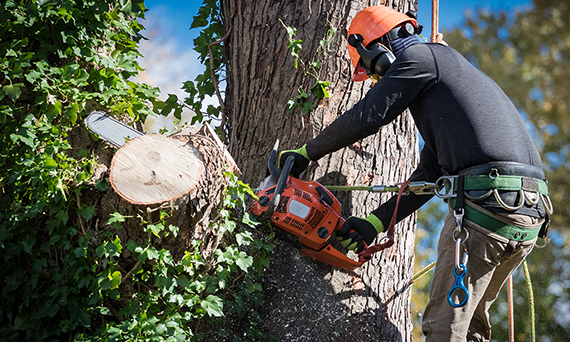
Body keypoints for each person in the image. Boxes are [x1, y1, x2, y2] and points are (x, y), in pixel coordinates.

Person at [278, 5, 551, 342]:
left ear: (377, 50)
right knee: (469, 331)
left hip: (487, 209)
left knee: (443, 330)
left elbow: (369, 114)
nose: (378, 80)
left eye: (372, 72)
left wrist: (306, 153)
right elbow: (430, 175)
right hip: (525, 216)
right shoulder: (449, 84)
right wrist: (372, 224)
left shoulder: (421, 59)